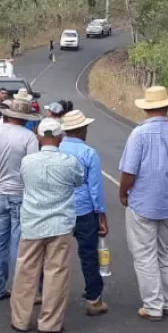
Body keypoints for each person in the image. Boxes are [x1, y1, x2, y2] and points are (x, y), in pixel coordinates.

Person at [118, 87, 168, 322]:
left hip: (142, 200)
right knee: (165, 252)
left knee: (144, 254)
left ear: (145, 108)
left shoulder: (139, 134)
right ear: (167, 106)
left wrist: (123, 192)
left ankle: (153, 305)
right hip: (167, 201)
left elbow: (129, 171)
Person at [10, 118, 84, 333]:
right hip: (60, 223)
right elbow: (78, 181)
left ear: (39, 137)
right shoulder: (69, 162)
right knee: (56, 273)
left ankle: (20, 319)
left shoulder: (27, 161)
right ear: (61, 137)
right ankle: (50, 322)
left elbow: (23, 181)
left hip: (32, 221)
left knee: (25, 271)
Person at [0, 99, 41, 301]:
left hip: (1, 192)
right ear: (25, 119)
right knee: (19, 243)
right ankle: (22, 289)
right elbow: (33, 166)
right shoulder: (29, 138)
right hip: (20, 193)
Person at [59, 110, 109, 316]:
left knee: (56, 255)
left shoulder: (56, 148)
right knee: (88, 254)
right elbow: (94, 187)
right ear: (80, 129)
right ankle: (93, 298)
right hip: (84, 209)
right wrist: (101, 214)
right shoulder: (89, 153)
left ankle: (50, 294)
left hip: (60, 208)